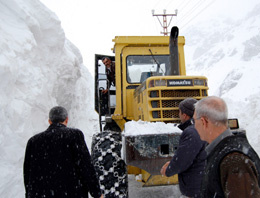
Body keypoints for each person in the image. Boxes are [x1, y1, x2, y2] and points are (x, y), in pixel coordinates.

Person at [23, 106, 103, 198]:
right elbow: (85, 166)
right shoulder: (74, 136)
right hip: (71, 193)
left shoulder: (33, 141)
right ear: (67, 119)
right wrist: (96, 192)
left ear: (49, 121)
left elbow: (27, 174)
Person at [194, 96, 260, 198]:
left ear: (204, 121)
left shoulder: (234, 160)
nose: (194, 126)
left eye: (194, 121)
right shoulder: (224, 152)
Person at [161, 98, 207, 198]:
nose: (179, 115)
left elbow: (182, 160)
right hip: (205, 183)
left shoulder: (192, 132)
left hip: (196, 188)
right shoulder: (205, 127)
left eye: (179, 112)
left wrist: (168, 170)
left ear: (185, 115)